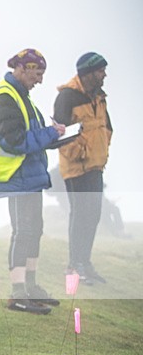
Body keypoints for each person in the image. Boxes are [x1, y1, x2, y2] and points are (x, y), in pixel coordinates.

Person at [0, 48, 66, 315]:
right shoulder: (5, 98)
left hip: (28, 176)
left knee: (34, 229)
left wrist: (54, 135)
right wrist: (49, 133)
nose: (40, 80)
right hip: (14, 176)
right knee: (23, 231)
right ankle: (18, 293)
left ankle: (30, 287)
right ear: (24, 68)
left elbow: (31, 136)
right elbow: (16, 142)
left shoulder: (21, 97)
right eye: (38, 73)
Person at [53, 52, 112, 285]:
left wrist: (102, 151)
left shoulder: (99, 96)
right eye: (100, 71)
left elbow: (106, 127)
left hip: (96, 166)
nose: (104, 75)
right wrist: (83, 154)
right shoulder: (67, 97)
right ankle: (75, 265)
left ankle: (84, 262)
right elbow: (59, 135)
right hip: (76, 168)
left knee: (93, 215)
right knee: (80, 215)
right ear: (87, 73)